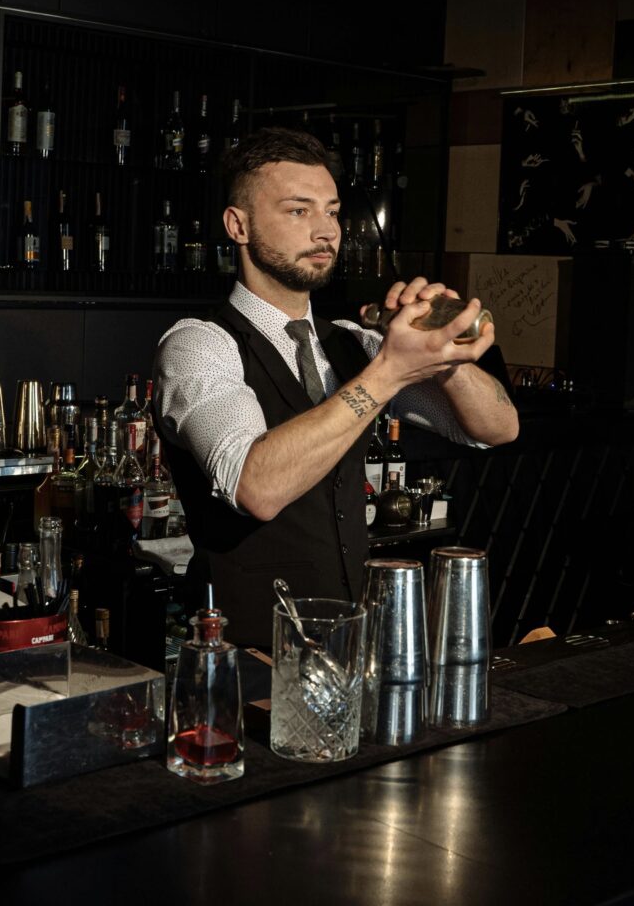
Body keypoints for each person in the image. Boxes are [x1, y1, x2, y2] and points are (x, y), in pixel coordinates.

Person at [153, 127, 518, 644]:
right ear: (238, 225)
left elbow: (497, 427)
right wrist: (390, 369)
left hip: (349, 637)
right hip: (247, 649)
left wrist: (444, 356)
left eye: (331, 210)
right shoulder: (199, 345)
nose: (325, 231)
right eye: (298, 211)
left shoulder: (349, 342)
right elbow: (255, 486)